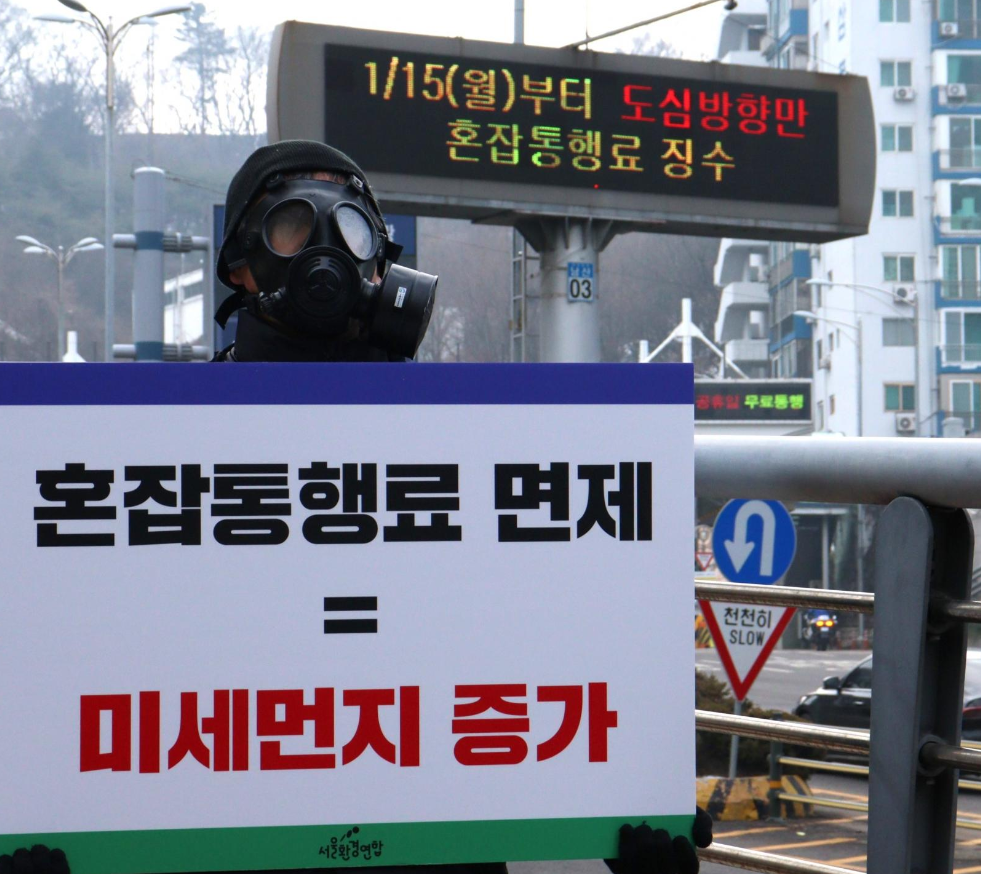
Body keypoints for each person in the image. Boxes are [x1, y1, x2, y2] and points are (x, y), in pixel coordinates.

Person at [2, 140, 712, 874]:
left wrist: (621, 791)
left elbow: (538, 643)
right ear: (240, 264)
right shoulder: (150, 448)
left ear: (381, 267)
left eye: (350, 230)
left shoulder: (474, 445)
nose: (324, 251)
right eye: (290, 226)